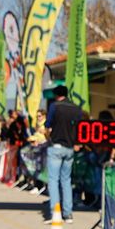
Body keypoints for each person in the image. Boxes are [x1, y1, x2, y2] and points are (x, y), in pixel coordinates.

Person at [42, 84, 84, 221]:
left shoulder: (55, 106)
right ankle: (68, 213)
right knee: (66, 180)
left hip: (56, 146)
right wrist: (77, 143)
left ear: (56, 95)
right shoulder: (76, 108)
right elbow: (80, 127)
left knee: (53, 180)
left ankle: (55, 212)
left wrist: (48, 137)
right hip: (70, 148)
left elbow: (47, 125)